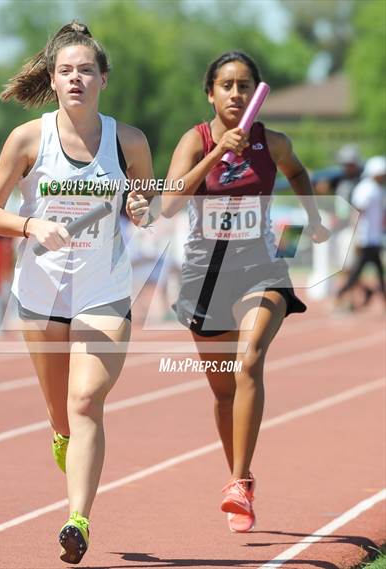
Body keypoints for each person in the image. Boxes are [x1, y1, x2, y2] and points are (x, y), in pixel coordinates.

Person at [0, 21, 151, 564]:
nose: (76, 79)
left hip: (104, 288)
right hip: (42, 294)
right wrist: (31, 227)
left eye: (86, 71)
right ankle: (62, 436)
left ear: (104, 78)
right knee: (60, 412)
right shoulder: (29, 140)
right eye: (65, 71)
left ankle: (78, 519)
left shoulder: (130, 141)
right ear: (52, 80)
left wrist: (140, 209)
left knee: (86, 401)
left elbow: (145, 203)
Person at [158, 51, 330, 533]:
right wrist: (218, 152)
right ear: (210, 92)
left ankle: (235, 483)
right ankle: (245, 476)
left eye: (244, 85)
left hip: (261, 269)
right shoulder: (195, 140)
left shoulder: (272, 142)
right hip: (205, 278)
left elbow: (296, 172)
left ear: (257, 92)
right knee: (223, 392)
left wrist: (313, 219)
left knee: (250, 359)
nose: (235, 93)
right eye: (226, 85)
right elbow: (170, 204)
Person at [335, 155, 386, 308]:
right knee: (357, 271)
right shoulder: (366, 189)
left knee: (375, 271)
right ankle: (341, 295)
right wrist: (356, 236)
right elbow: (357, 213)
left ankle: (344, 294)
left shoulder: (377, 188)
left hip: (373, 238)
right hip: (364, 237)